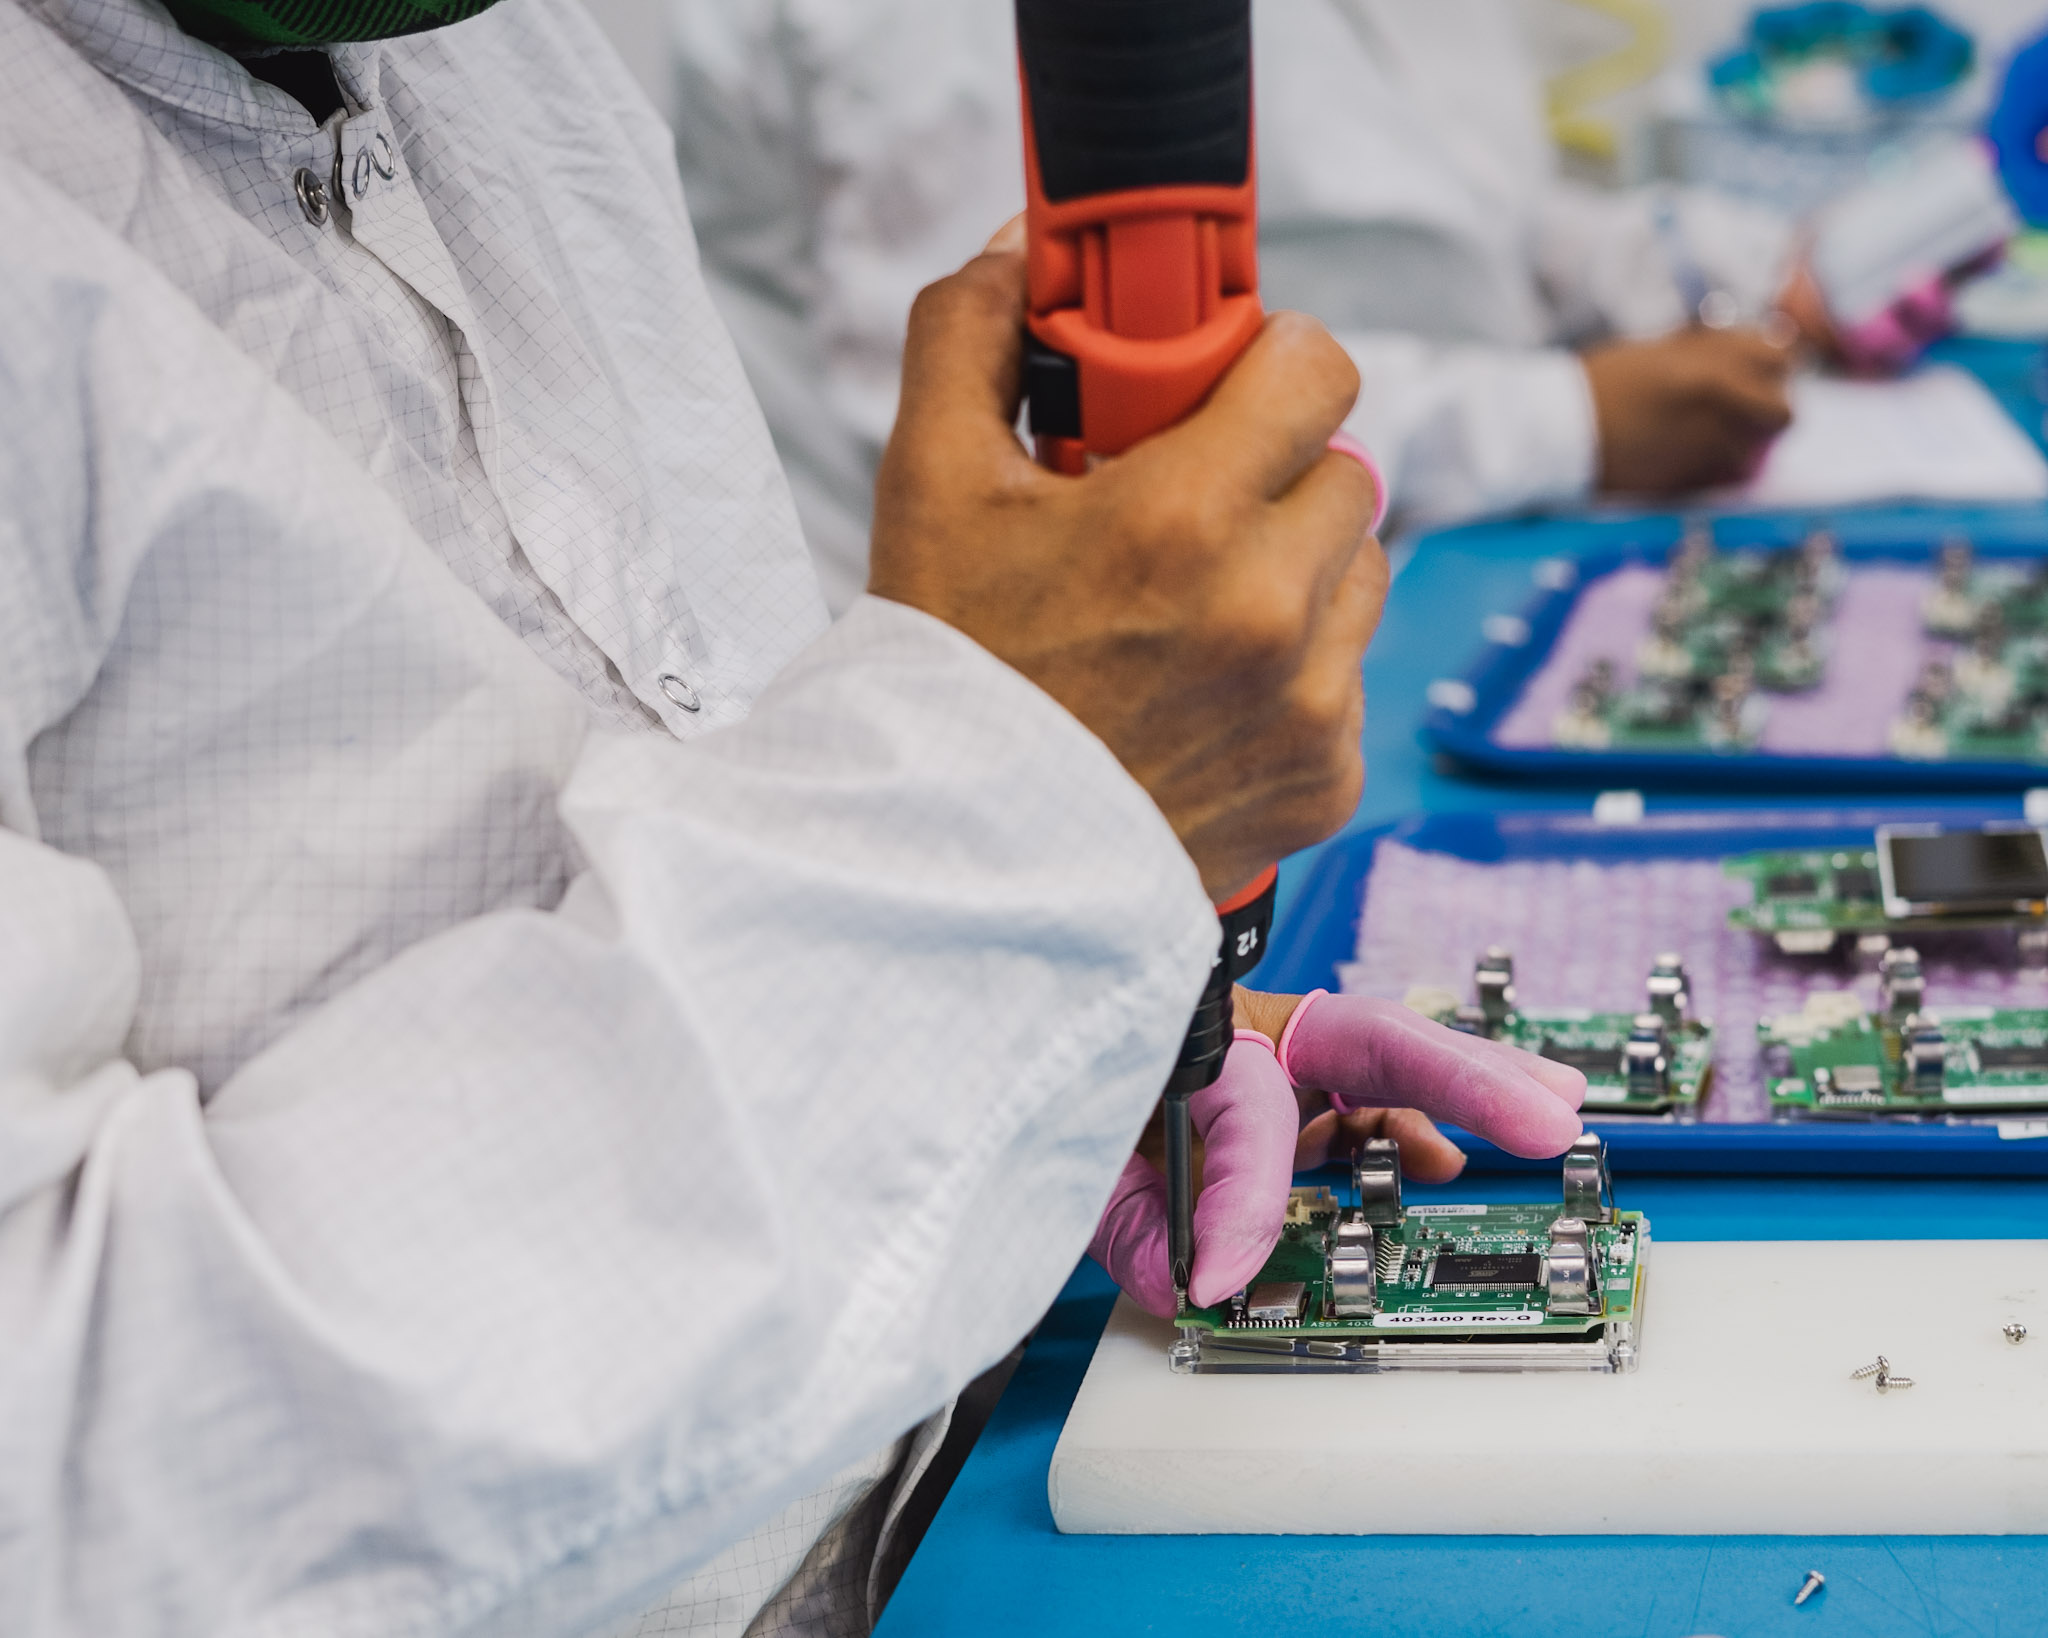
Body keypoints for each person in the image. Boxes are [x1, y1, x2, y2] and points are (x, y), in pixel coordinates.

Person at [0, 0, 1585, 1633]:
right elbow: (89, 1501)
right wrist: (982, 853)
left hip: (919, 1482)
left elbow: (613, 770)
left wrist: (1056, 1019)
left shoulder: (486, 52)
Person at [674, 0, 1807, 615]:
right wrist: (1566, 422)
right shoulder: (922, 34)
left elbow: (1462, 196)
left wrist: (1707, 267)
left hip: (1387, 539)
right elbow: (1048, 443)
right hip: (973, 664)